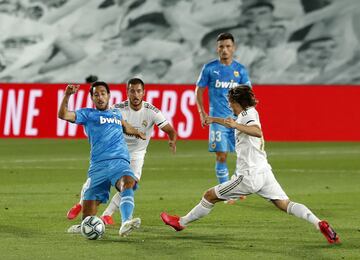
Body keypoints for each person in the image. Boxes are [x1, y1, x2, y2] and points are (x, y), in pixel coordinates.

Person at [161, 85, 340, 244]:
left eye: (230, 102)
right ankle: (318, 223)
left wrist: (236, 126)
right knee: (285, 203)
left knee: (209, 196)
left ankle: (180, 223)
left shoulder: (246, 117)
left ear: (237, 102)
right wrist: (214, 119)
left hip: (248, 176)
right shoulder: (249, 113)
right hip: (264, 172)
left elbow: (256, 131)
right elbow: (235, 123)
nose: (229, 105)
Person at [66, 77, 177, 225]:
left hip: (137, 153)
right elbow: (104, 120)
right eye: (132, 91)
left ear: (143, 93)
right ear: (127, 92)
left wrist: (171, 139)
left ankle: (108, 214)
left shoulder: (152, 111)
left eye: (138, 91)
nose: (135, 95)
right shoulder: (117, 109)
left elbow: (169, 129)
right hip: (117, 150)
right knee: (95, 181)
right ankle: (81, 204)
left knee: (130, 184)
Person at [59, 81, 146, 237]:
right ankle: (84, 226)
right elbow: (63, 114)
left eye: (103, 93)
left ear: (109, 95)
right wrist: (67, 95)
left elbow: (125, 126)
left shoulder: (116, 114)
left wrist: (137, 132)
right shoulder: (88, 114)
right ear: (92, 98)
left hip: (119, 162)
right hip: (98, 167)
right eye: (96, 94)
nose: (100, 97)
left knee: (128, 182)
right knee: (88, 219)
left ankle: (127, 221)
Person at [195, 32, 251, 196]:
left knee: (243, 156)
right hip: (218, 120)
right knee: (221, 156)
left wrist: (247, 115)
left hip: (237, 120)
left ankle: (239, 187)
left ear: (233, 48)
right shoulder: (210, 68)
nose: (224, 50)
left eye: (228, 46)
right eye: (221, 47)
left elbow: (248, 92)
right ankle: (226, 192)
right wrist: (201, 112)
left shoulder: (240, 70)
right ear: (217, 49)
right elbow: (199, 90)